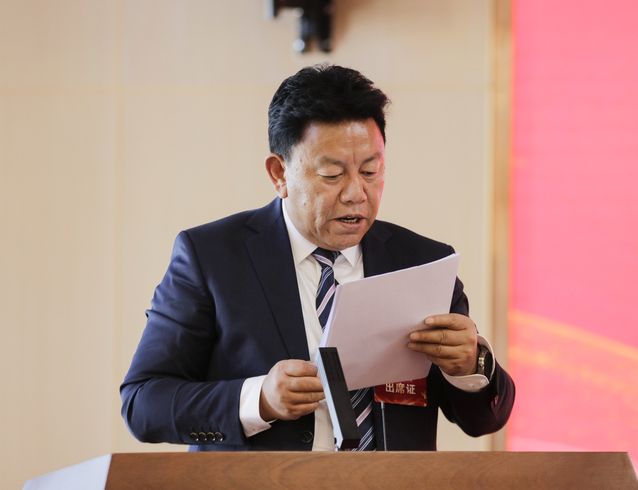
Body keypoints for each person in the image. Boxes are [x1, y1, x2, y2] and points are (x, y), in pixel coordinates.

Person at [121, 64, 514, 452]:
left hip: (390, 488)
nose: (356, 193)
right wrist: (259, 399)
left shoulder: (422, 262)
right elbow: (143, 403)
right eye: (332, 175)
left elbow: (486, 420)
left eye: (370, 171)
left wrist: (470, 365)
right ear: (279, 174)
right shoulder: (212, 258)